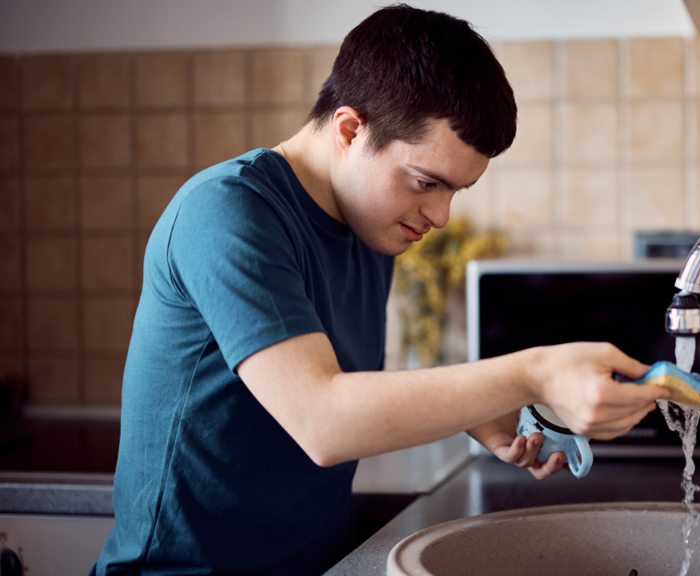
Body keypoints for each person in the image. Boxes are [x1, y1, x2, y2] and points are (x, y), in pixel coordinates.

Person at [91, 4, 668, 575]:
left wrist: (476, 412)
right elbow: (322, 419)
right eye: (426, 182)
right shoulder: (227, 213)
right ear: (350, 129)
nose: (440, 215)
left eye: (456, 192)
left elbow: (338, 382)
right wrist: (532, 372)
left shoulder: (371, 228)